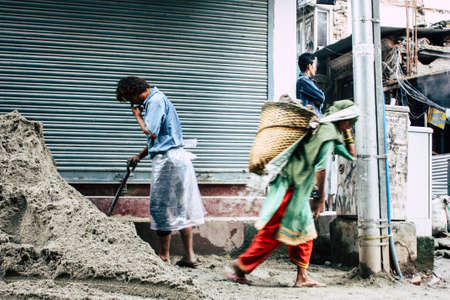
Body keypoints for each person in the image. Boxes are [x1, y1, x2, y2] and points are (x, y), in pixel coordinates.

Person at [228, 100, 358, 287]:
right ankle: (240, 266)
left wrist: (347, 132)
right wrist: (320, 199)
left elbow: (351, 155)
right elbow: (321, 169)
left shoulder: (328, 131)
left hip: (295, 189)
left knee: (303, 232)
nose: (352, 125)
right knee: (273, 233)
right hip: (291, 188)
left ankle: (301, 277)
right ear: (344, 118)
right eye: (351, 121)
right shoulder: (327, 134)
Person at [116, 76, 205, 267]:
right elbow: (161, 138)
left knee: (160, 208)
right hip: (176, 158)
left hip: (167, 162)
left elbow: (152, 132)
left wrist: (137, 116)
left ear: (134, 93)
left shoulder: (154, 101)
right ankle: (190, 257)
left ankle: (164, 256)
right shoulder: (158, 98)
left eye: (130, 99)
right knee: (182, 207)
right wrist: (139, 156)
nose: (132, 104)